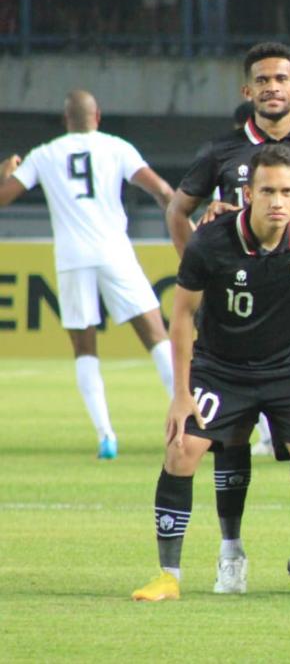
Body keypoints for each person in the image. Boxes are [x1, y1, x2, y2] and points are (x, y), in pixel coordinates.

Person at [168, 41, 290, 594]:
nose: (273, 87)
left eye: (282, 78)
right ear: (247, 91)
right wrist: (205, 266)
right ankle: (231, 549)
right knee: (228, 440)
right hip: (236, 313)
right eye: (262, 80)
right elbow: (178, 209)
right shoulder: (223, 151)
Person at [131, 145, 290, 603]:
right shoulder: (210, 241)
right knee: (181, 450)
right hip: (222, 368)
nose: (276, 201)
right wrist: (181, 393)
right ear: (247, 192)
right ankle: (169, 574)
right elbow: (184, 315)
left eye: (286, 191)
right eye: (266, 190)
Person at [0, 90, 175, 460]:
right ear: (98, 115)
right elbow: (161, 189)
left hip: (72, 258)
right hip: (116, 253)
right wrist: (181, 226)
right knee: (157, 337)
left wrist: (4, 175)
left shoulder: (44, 154)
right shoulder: (117, 147)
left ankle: (106, 436)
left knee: (84, 349)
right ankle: (190, 427)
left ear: (66, 120)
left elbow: (4, 197)